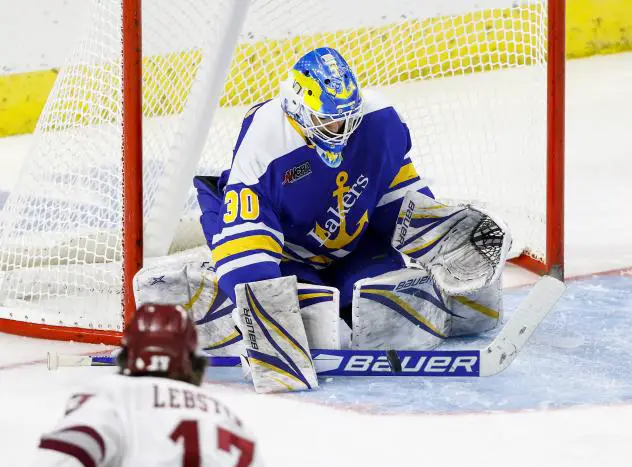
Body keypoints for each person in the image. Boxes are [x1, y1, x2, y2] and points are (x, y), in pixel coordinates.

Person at [191, 47, 511, 393]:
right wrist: (259, 312)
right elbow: (248, 242)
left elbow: (394, 196)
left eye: (344, 118)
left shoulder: (379, 120)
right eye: (326, 120)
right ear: (297, 110)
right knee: (307, 313)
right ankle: (216, 293)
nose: (337, 129)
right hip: (289, 255)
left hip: (350, 246)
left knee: (388, 302)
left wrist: (440, 236)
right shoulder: (264, 144)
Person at [34, 304, 263, 466]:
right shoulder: (230, 422)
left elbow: (62, 457)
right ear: (195, 364)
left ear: (126, 358)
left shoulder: (112, 396)